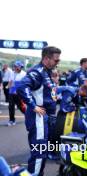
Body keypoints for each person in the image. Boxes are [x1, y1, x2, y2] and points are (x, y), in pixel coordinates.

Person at [17, 46, 61, 176]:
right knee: (39, 153)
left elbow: (49, 93)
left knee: (44, 151)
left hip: (45, 118)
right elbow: (22, 87)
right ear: (46, 59)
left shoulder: (48, 72)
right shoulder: (37, 72)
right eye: (56, 60)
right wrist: (33, 106)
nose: (58, 63)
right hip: (38, 117)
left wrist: (55, 83)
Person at [7, 61, 26, 126]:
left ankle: (27, 114)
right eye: (14, 66)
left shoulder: (24, 73)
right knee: (11, 106)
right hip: (12, 90)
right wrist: (8, 87)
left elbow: (24, 84)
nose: (15, 67)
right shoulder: (12, 73)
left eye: (16, 66)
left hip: (19, 91)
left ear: (20, 67)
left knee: (20, 105)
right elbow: (10, 81)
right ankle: (11, 120)